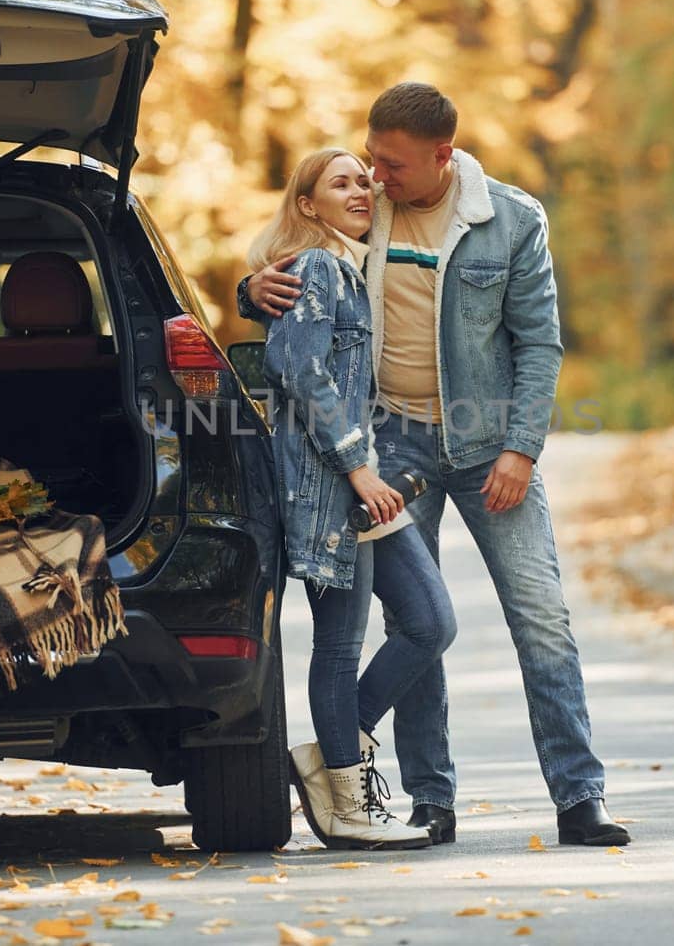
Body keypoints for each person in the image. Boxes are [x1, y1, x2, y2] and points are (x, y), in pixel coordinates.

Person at [237, 84, 628, 847]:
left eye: (393, 165)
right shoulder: (365, 206)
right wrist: (252, 292)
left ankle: (580, 796)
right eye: (370, 162)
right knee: (413, 620)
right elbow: (301, 280)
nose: (378, 178)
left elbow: (540, 342)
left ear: (443, 156)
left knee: (541, 617)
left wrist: (520, 447)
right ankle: (429, 797)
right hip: (390, 443)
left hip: (487, 445)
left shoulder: (511, 219)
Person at [252, 147, 458, 850]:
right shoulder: (314, 266)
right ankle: (347, 800)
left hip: (361, 479)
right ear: (308, 205)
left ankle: (329, 757)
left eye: (362, 179)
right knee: (339, 645)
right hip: (331, 485)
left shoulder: (351, 267)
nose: (360, 189)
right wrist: (355, 468)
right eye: (339, 182)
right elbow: (297, 366)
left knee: (430, 620)